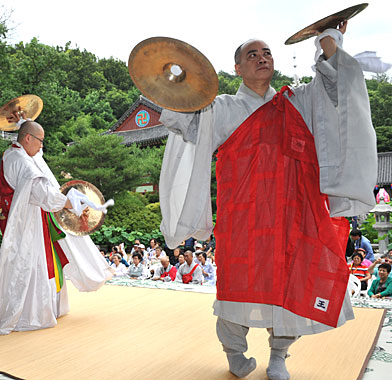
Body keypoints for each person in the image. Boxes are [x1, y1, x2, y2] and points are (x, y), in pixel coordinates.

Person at [159, 21, 377, 380]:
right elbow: (183, 122)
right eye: (252, 54)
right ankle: (234, 351)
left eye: (267, 53)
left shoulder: (298, 100)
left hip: (293, 214)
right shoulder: (222, 108)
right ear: (238, 68)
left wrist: (330, 43)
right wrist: (173, 83)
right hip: (243, 216)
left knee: (289, 283)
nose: (262, 58)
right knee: (235, 285)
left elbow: (337, 93)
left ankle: (279, 355)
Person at [0, 119, 113, 335]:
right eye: (40, 141)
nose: (42, 146)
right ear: (27, 139)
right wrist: (71, 204)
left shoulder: (13, 153)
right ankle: (30, 315)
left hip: (27, 217)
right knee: (31, 266)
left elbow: (39, 166)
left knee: (34, 264)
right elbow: (43, 193)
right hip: (27, 223)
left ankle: (38, 309)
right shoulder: (23, 162)